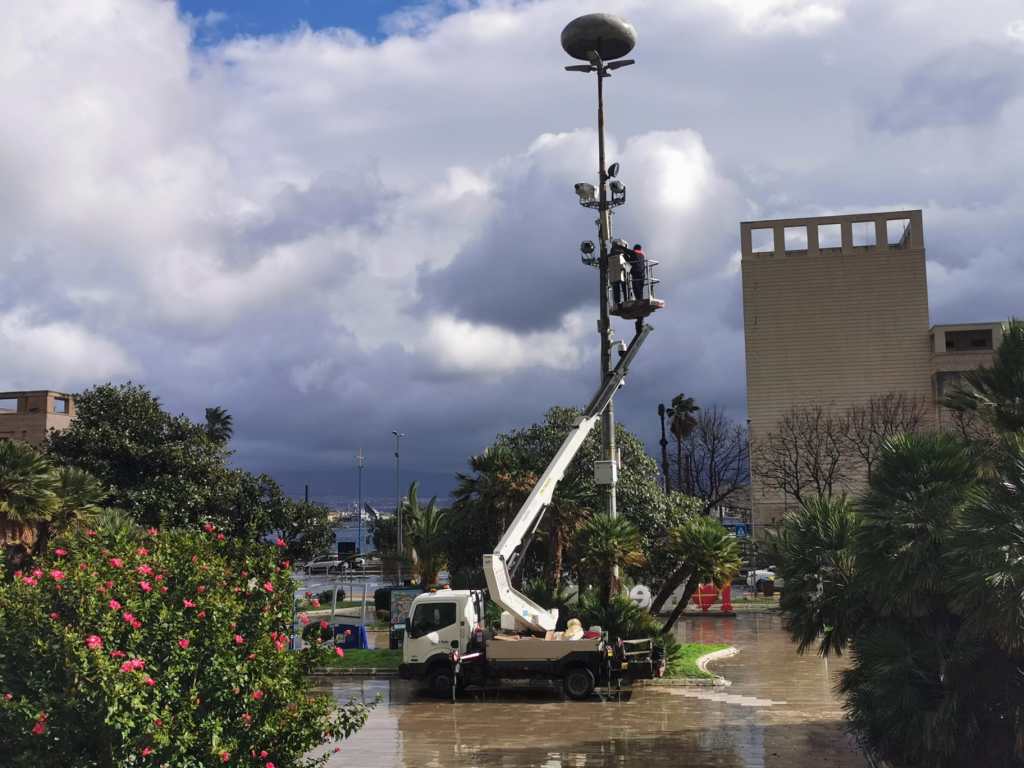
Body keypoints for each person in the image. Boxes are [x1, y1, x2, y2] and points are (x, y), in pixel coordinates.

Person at [610, 238, 629, 305]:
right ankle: (626, 299)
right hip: (623, 273)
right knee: (625, 287)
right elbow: (628, 264)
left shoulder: (611, 254)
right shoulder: (625, 254)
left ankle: (617, 302)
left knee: (616, 288)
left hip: (614, 274)